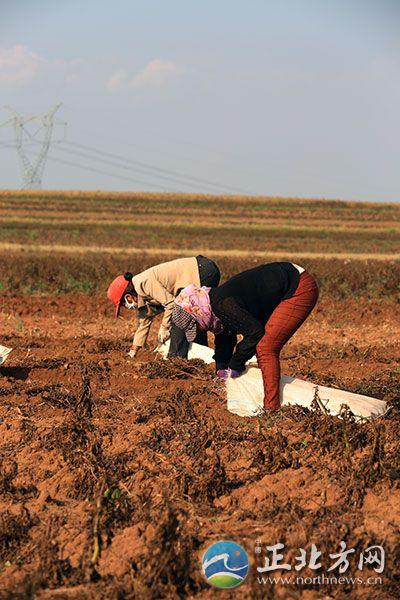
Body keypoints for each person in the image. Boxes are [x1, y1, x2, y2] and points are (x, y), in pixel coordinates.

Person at [172, 262, 318, 410]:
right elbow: (225, 336)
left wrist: (236, 364)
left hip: (297, 286)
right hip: (282, 281)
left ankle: (271, 409)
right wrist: (222, 369)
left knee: (265, 347)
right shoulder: (212, 304)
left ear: (197, 313)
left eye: (196, 326)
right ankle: (268, 392)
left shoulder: (224, 305)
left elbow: (255, 333)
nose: (200, 330)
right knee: (261, 346)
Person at [107, 255, 220, 358]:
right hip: (201, 271)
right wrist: (133, 351)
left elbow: (171, 303)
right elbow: (143, 323)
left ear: (128, 297)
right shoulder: (142, 298)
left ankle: (176, 360)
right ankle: (200, 358)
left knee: (180, 315)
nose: (126, 307)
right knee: (192, 318)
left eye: (123, 304)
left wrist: (164, 327)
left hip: (201, 271)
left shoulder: (143, 283)